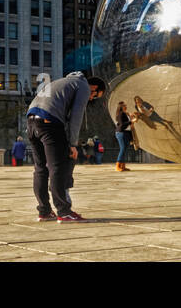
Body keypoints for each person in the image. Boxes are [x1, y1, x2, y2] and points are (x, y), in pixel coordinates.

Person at [26, 70, 106, 222]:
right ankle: (63, 211)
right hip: (49, 123)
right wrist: (73, 144)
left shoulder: (62, 82)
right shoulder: (82, 86)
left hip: (31, 121)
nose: (91, 98)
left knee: (40, 168)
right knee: (57, 167)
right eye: (94, 95)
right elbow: (76, 117)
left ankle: (44, 211)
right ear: (93, 87)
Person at [114, 101, 135, 172]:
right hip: (121, 133)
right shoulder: (121, 114)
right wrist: (131, 122)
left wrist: (131, 118)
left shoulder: (125, 114)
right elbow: (122, 124)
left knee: (125, 149)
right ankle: (118, 165)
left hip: (126, 133)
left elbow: (128, 123)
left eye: (126, 105)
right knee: (123, 148)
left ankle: (123, 166)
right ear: (121, 107)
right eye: (124, 106)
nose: (126, 106)